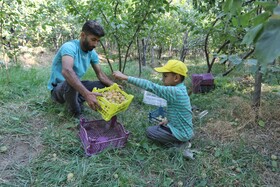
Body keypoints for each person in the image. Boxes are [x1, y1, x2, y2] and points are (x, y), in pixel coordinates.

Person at [113, 59, 193, 148]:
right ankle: (181, 139)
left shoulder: (175, 91)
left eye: (165, 76)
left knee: (150, 132)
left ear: (176, 78)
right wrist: (168, 121)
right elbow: (179, 113)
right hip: (185, 131)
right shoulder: (181, 89)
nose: (162, 79)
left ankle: (180, 145)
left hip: (182, 134)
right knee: (156, 129)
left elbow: (150, 86)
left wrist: (125, 77)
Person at [47, 20, 115, 118]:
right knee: (71, 81)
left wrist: (114, 86)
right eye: (93, 39)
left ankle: (77, 99)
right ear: (83, 35)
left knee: (103, 85)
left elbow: (100, 75)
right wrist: (86, 94)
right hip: (59, 90)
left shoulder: (92, 53)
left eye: (98, 41)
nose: (95, 44)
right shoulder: (69, 47)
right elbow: (67, 71)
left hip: (75, 88)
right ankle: (75, 112)